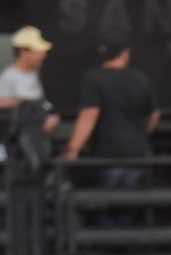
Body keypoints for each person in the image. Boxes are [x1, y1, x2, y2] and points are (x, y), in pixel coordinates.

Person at [63, 28, 159, 189]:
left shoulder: (94, 78)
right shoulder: (141, 78)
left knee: (108, 206)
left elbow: (89, 114)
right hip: (137, 153)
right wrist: (139, 133)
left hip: (106, 154)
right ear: (125, 53)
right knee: (133, 206)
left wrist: (73, 148)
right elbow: (154, 116)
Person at [0, 25, 59, 133]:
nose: (43, 55)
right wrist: (24, 103)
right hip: (14, 143)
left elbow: (39, 102)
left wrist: (49, 116)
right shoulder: (9, 76)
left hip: (34, 139)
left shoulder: (34, 73)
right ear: (23, 51)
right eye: (38, 51)